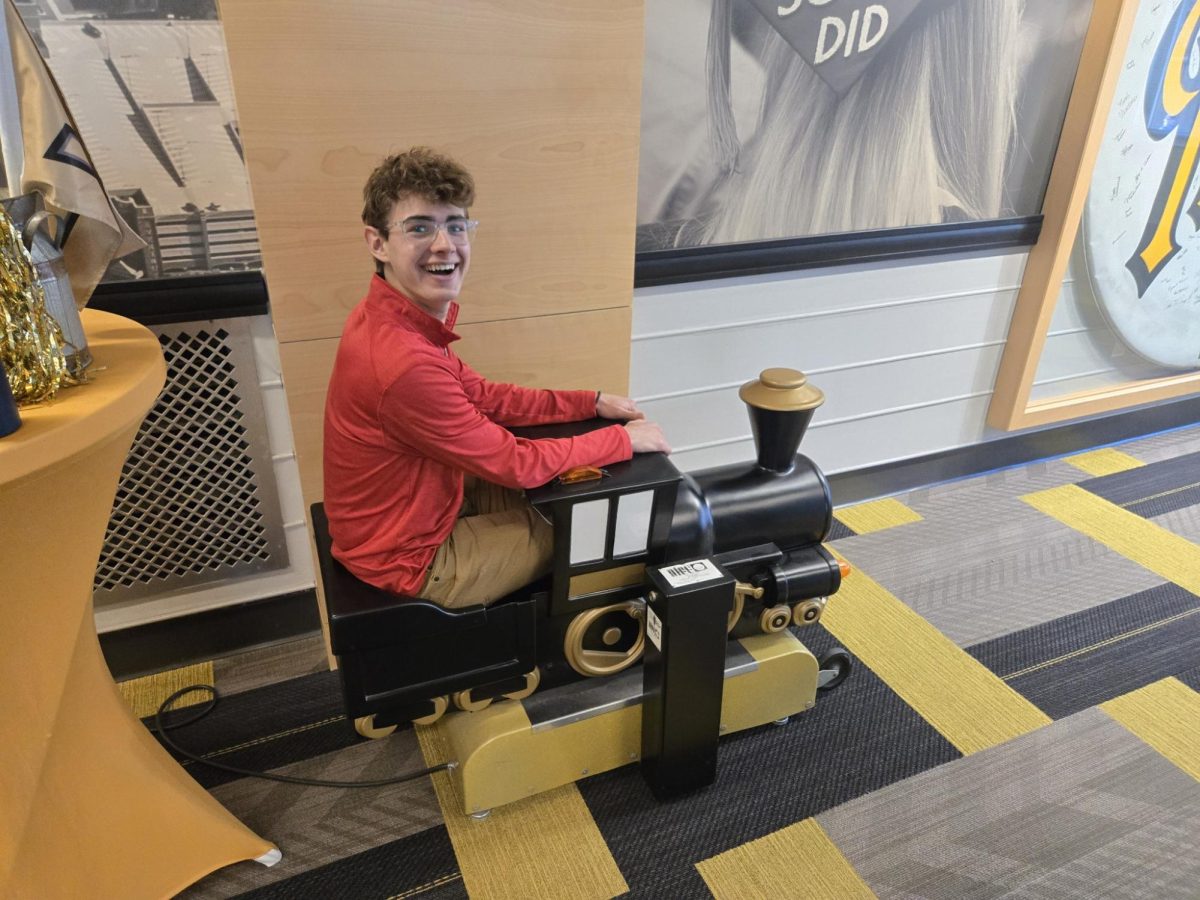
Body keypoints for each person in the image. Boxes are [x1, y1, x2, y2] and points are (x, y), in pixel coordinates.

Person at [323, 147, 670, 608]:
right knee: (595, 534)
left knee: (574, 496)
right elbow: (515, 463)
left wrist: (591, 402)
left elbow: (483, 397)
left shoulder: (391, 320)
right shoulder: (403, 363)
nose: (445, 244)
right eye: (420, 227)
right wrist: (624, 442)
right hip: (409, 558)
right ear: (377, 243)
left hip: (418, 513)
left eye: (456, 225)